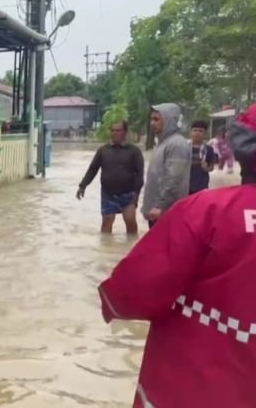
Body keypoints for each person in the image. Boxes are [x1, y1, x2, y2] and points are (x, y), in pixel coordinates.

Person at [97, 106, 256, 408]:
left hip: (194, 382)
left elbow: (145, 280)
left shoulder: (206, 211)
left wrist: (111, 303)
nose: (153, 122)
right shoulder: (148, 149)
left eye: (157, 118)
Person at [77, 121, 144, 234]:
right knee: (107, 222)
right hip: (108, 194)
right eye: (112, 130)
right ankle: (105, 248)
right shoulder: (103, 150)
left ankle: (132, 247)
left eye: (118, 130)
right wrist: (82, 186)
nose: (114, 133)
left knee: (130, 221)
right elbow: (93, 169)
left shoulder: (134, 151)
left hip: (128, 194)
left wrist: (136, 194)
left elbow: (140, 174)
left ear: (125, 133)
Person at [141, 103, 191, 228]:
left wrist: (160, 206)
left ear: (169, 120)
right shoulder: (163, 144)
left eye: (156, 119)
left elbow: (174, 179)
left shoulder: (177, 144)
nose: (152, 123)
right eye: (151, 119)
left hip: (166, 212)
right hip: (157, 211)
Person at [188, 120, 216, 194]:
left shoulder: (209, 149)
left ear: (205, 133)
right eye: (195, 130)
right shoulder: (184, 147)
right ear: (190, 132)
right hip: (186, 184)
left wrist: (206, 168)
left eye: (201, 131)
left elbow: (211, 167)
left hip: (201, 184)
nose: (197, 133)